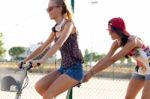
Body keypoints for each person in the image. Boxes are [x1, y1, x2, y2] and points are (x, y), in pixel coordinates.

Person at [20, 0, 84, 99]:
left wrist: (41, 60)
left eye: (50, 8)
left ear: (60, 8)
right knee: (39, 86)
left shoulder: (69, 24)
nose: (48, 12)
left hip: (75, 69)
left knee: (48, 95)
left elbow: (58, 44)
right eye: (47, 9)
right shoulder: (55, 29)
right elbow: (42, 47)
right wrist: (25, 60)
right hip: (63, 69)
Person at [83, 17, 150, 99]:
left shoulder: (132, 41)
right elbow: (105, 59)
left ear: (119, 30)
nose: (109, 34)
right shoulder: (116, 43)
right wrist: (89, 73)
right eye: (108, 31)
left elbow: (112, 60)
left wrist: (91, 74)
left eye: (111, 31)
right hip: (141, 69)